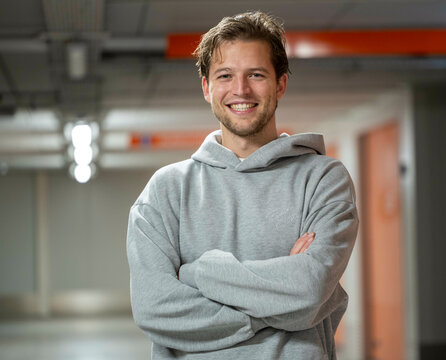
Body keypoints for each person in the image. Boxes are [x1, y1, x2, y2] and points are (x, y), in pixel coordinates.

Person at [127, 11, 358, 360]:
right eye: (225, 76)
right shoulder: (165, 191)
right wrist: (283, 306)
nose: (241, 90)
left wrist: (197, 273)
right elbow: (154, 307)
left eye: (256, 74)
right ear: (207, 87)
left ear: (280, 84)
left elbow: (308, 291)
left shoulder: (323, 180)